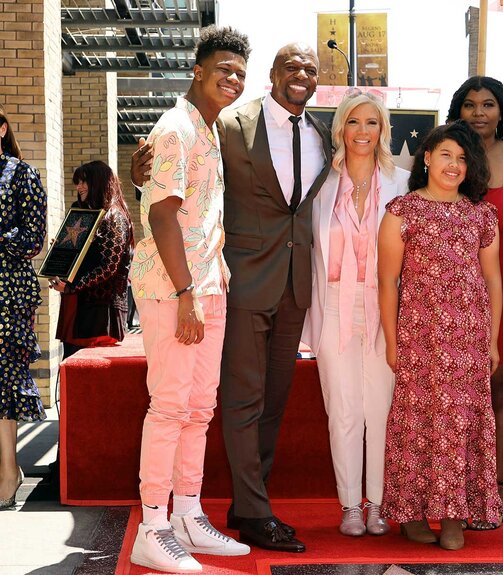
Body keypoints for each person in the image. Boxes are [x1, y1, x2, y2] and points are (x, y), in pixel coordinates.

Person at [133, 42, 331, 553]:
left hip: (291, 283)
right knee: (231, 399)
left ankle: (233, 506)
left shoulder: (323, 133)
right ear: (272, 74)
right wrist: (141, 175)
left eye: (310, 69)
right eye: (291, 66)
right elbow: (164, 185)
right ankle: (240, 512)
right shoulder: (226, 122)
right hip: (232, 280)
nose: (301, 75)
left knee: (265, 400)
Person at [128, 26, 251, 572]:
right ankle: (153, 526)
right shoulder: (176, 126)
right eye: (224, 68)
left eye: (240, 74)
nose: (233, 79)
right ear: (197, 69)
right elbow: (161, 214)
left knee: (200, 408)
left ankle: (187, 513)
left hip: (207, 284)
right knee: (171, 405)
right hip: (172, 287)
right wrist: (184, 294)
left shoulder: (207, 128)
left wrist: (201, 290)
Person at [377, 120, 503, 551]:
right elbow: (388, 281)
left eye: (463, 158)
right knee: (417, 425)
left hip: (468, 339)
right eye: (446, 154)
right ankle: (412, 515)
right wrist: (393, 343)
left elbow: (493, 281)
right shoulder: (401, 211)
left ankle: (453, 516)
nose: (454, 165)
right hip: (420, 337)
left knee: (462, 424)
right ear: (427, 157)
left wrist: (492, 341)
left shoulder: (481, 214)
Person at [301, 91, 409, 537]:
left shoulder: (402, 183)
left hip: (386, 309)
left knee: (380, 409)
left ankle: (379, 504)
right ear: (340, 128)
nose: (362, 132)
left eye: (372, 122)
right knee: (342, 410)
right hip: (332, 308)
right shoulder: (319, 183)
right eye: (353, 122)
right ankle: (350, 505)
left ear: (382, 129)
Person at [446, 76, 503, 529]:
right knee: (455, 392)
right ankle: (452, 486)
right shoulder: (443, 153)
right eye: (470, 104)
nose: (479, 112)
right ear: (457, 110)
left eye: (489, 104)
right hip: (448, 288)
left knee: (502, 387)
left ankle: (496, 486)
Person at [0, 105, 47, 511]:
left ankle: (8, 471)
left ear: (1, 129)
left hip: (8, 290)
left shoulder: (21, 174)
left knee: (4, 377)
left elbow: (35, 237)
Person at [49, 161, 133, 359]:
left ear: (99, 182)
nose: (79, 187)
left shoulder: (114, 216)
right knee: (72, 370)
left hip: (99, 316)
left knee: (89, 379)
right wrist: (60, 252)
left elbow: (109, 267)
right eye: (77, 182)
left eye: (83, 181)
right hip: (77, 308)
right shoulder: (85, 213)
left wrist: (72, 286)